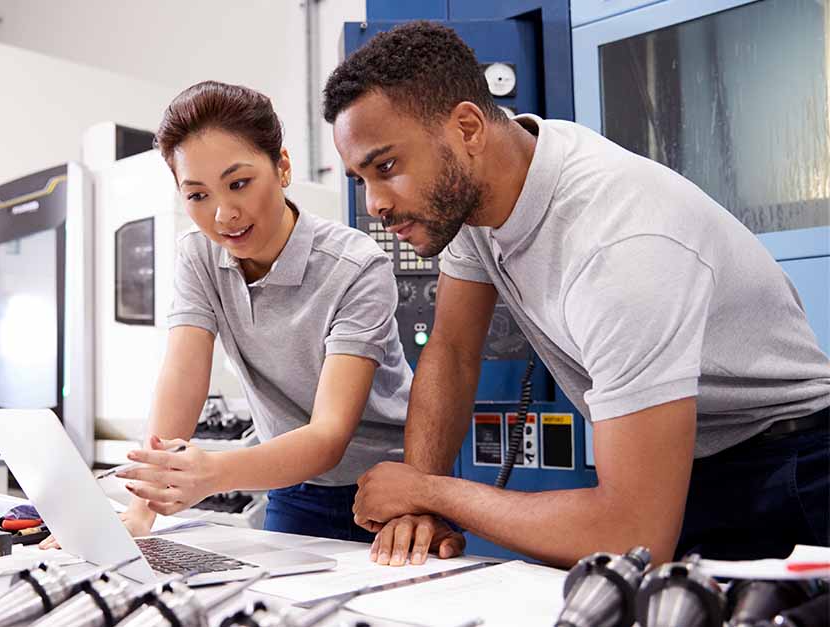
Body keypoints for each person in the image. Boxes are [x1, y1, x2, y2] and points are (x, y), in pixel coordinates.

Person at [320, 21, 830, 568]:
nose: (374, 204)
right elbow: (452, 349)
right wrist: (417, 501)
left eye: (387, 167)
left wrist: (429, 494)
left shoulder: (621, 245)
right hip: (689, 468)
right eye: (360, 179)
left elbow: (633, 535)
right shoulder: (476, 196)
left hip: (788, 476)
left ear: (467, 128)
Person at [47, 80, 415, 544]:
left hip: (387, 490)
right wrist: (141, 511)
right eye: (197, 195)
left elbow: (328, 435)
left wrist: (214, 472)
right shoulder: (199, 255)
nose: (223, 214)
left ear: (282, 167)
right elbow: (183, 376)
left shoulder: (357, 265)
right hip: (290, 484)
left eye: (238, 183)